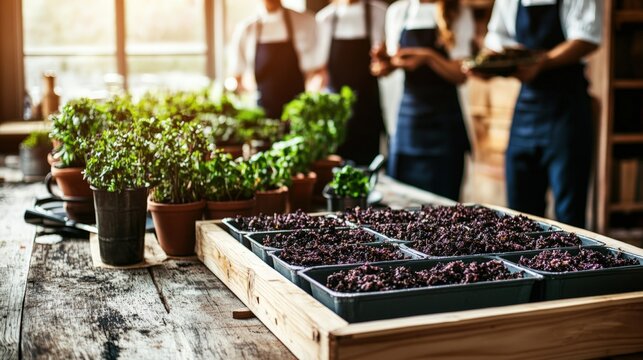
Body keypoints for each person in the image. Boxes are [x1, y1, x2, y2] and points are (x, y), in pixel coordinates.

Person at [480, 0, 602, 228]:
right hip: (526, 107)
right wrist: (486, 65)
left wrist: (542, 62)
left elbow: (587, 38)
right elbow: (496, 39)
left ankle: (570, 261)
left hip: (567, 108)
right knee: (519, 215)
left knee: (569, 212)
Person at [371, 0, 474, 200]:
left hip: (444, 123)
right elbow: (395, 60)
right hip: (408, 121)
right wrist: (385, 63)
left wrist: (428, 57)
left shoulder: (458, 11)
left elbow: (460, 74)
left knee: (444, 203)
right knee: (401, 200)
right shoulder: (398, 11)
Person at [316, 0, 388, 166]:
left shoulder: (379, 12)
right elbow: (319, 71)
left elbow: (385, 62)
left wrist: (383, 63)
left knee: (367, 170)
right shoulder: (325, 19)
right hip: (336, 117)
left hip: (367, 112)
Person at [229, 0, 322, 119]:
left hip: (297, 111)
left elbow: (316, 73)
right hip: (262, 112)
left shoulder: (305, 21)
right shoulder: (246, 29)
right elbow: (237, 78)